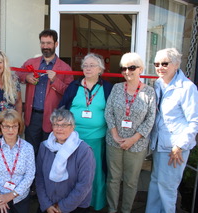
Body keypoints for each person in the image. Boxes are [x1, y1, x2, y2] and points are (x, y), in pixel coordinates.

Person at [146, 48, 198, 213]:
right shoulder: (158, 84)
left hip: (175, 148)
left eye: (164, 63)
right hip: (159, 144)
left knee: (167, 188)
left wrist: (180, 146)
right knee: (155, 183)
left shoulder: (187, 88)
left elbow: (194, 120)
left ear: (176, 64)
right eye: (156, 64)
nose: (160, 67)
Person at [59, 53, 112, 211]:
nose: (88, 68)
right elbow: (62, 109)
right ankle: (72, 202)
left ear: (100, 69)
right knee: (72, 172)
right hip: (73, 139)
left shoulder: (108, 88)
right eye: (85, 65)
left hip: (96, 139)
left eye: (92, 65)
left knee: (94, 173)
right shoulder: (74, 87)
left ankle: (95, 203)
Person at [105, 52, 156, 213]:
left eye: (131, 67)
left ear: (140, 69)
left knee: (131, 181)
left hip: (137, 144)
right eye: (124, 68)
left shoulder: (149, 92)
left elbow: (150, 119)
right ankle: (112, 209)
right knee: (113, 179)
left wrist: (133, 139)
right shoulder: (117, 88)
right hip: (114, 141)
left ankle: (126, 210)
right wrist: (115, 135)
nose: (127, 72)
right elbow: (108, 112)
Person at [16, 29, 73, 155]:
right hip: (33, 116)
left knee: (49, 153)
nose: (45, 46)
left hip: (53, 118)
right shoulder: (31, 63)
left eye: (49, 43)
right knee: (31, 152)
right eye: (43, 43)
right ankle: (33, 175)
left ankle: (47, 175)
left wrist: (55, 81)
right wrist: (26, 77)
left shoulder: (65, 68)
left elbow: (69, 93)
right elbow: (18, 73)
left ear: (56, 44)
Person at [36, 108, 96, 213]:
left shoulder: (84, 151)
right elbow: (39, 178)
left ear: (72, 127)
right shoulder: (44, 146)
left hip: (75, 206)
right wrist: (46, 204)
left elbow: (84, 184)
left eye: (64, 125)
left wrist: (61, 207)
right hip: (48, 205)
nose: (59, 128)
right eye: (56, 124)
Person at [0, 109, 35, 213]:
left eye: (14, 126)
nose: (10, 130)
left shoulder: (28, 148)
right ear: (0, 126)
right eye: (6, 126)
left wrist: (11, 196)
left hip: (20, 197)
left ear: (19, 127)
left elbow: (29, 176)